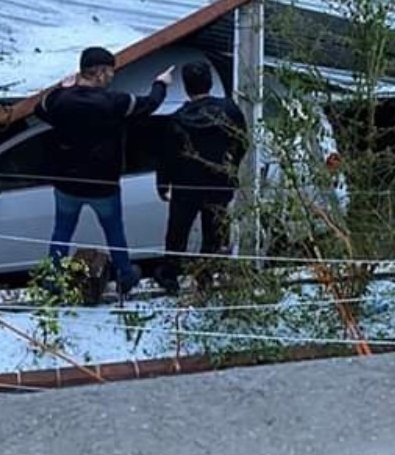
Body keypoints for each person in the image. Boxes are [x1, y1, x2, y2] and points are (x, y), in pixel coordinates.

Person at [38, 47, 174, 297]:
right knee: (114, 232)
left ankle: (52, 275)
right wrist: (160, 83)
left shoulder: (60, 101)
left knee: (61, 231)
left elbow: (40, 108)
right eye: (110, 71)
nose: (112, 76)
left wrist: (63, 89)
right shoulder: (114, 102)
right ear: (100, 73)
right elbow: (150, 104)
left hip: (66, 184)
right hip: (103, 185)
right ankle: (125, 273)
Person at [155, 61, 250, 293]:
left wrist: (163, 183)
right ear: (209, 82)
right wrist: (231, 166)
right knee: (214, 231)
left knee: (178, 232)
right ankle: (206, 272)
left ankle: (170, 274)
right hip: (219, 182)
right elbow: (242, 141)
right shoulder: (229, 110)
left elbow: (167, 156)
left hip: (186, 185)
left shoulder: (177, 119)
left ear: (187, 88)